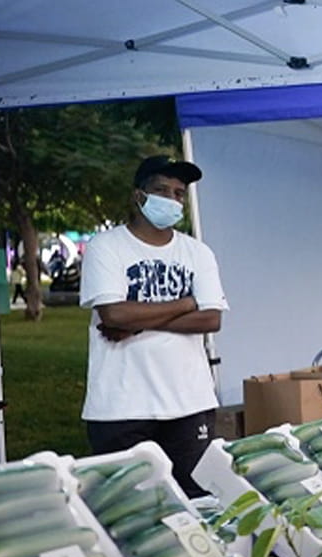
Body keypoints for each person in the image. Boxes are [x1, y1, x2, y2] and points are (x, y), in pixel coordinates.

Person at [80, 155, 227, 496]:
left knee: (197, 502)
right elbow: (114, 316)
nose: (172, 199)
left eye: (179, 193)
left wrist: (138, 323)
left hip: (189, 403)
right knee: (128, 507)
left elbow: (211, 319)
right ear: (139, 196)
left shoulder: (198, 253)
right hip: (120, 406)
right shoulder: (106, 247)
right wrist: (187, 302)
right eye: (161, 190)